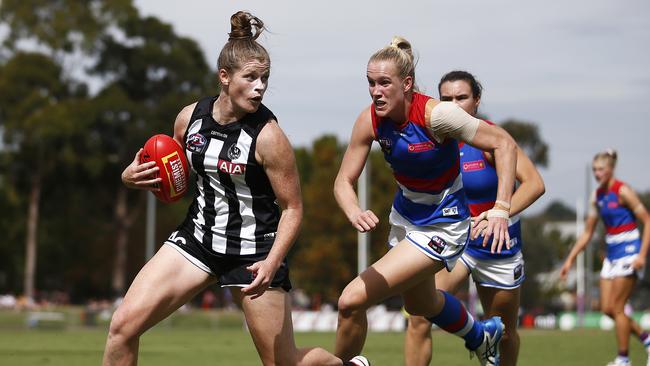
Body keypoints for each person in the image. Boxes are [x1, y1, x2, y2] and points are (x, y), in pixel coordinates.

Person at [103, 11, 367, 366]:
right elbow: (172, 173)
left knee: (283, 363)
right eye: (251, 77)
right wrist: (130, 176)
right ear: (224, 77)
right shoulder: (189, 118)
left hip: (254, 252)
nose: (260, 86)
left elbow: (293, 209)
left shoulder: (269, 137)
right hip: (197, 240)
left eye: (265, 79)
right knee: (122, 328)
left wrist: (271, 263)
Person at [333, 37, 519, 366]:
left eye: (384, 83)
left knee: (351, 300)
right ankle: (480, 335)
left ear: (406, 84)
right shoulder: (370, 120)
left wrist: (502, 209)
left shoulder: (438, 115)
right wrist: (352, 209)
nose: (376, 91)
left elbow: (505, 145)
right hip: (406, 221)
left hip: (444, 226)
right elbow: (343, 180)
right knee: (422, 304)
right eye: (371, 83)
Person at [404, 71, 545, 366]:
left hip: (497, 245)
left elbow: (534, 183)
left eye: (461, 98)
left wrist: (500, 212)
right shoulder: (435, 140)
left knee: (505, 333)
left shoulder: (492, 139)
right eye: (446, 99)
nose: (453, 105)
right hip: (456, 242)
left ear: (476, 101)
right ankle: (473, 334)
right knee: (419, 314)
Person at [561, 149, 650, 366]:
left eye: (601, 169)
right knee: (607, 309)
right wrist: (570, 259)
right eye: (594, 170)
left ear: (611, 169)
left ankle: (623, 359)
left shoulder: (623, 191)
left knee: (618, 308)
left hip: (629, 254)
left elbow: (648, 220)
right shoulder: (597, 196)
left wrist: (642, 256)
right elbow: (588, 233)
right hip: (611, 257)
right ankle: (647, 339)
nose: (597, 174)